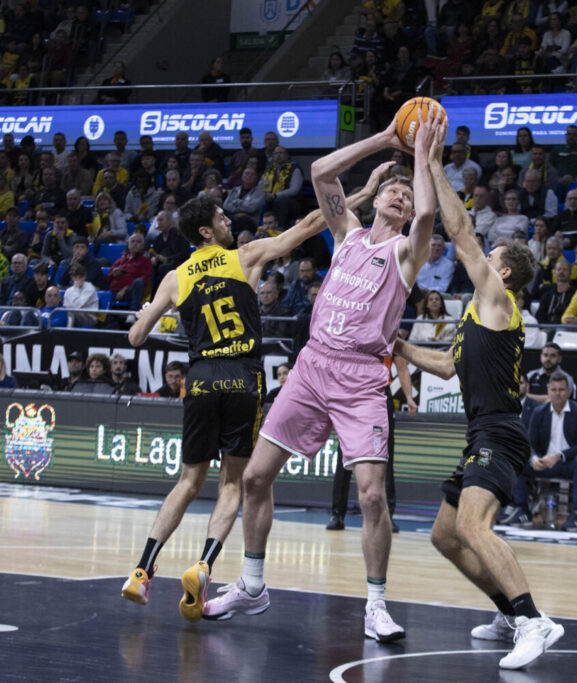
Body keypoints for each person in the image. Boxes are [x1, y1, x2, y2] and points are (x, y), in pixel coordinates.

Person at [204, 112, 441, 641]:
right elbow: (321, 174)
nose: (401, 200)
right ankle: (252, 583)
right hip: (312, 367)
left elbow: (427, 211)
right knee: (254, 477)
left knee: (373, 495)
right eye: (393, 194)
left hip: (360, 378)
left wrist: (421, 156)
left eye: (404, 198)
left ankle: (376, 604)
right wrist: (384, 137)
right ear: (376, 200)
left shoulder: (404, 254)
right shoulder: (348, 235)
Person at [120, 192, 339, 621]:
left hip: (199, 378)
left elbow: (136, 339)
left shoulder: (175, 277)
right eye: (221, 218)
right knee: (232, 482)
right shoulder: (246, 256)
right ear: (206, 231)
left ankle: (142, 571)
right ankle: (204, 565)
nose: (228, 222)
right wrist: (357, 196)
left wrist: (145, 313)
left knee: (187, 481)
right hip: (241, 375)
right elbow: (310, 225)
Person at [392, 122, 564, 669]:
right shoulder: (474, 319)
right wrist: (399, 347)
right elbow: (445, 365)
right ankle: (509, 613)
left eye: (490, 255)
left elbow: (461, 231)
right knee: (446, 536)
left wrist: (435, 164)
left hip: (501, 433)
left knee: (473, 526)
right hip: (481, 432)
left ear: (504, 270)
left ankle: (535, 620)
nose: (478, 256)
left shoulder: (497, 299)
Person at [325, 355, 416, 533]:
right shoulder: (353, 331)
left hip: (380, 392)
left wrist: (409, 396)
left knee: (385, 455)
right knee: (345, 451)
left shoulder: (390, 333)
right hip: (353, 391)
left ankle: (388, 515)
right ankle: (337, 514)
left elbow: (402, 367)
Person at [500, 372, 577, 532]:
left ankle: (576, 512)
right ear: (548, 391)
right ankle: (522, 508)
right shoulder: (539, 412)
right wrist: (534, 458)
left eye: (561, 390)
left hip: (568, 463)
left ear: (569, 391)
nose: (557, 393)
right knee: (515, 459)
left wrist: (559, 456)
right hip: (544, 463)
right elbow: (529, 443)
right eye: (554, 389)